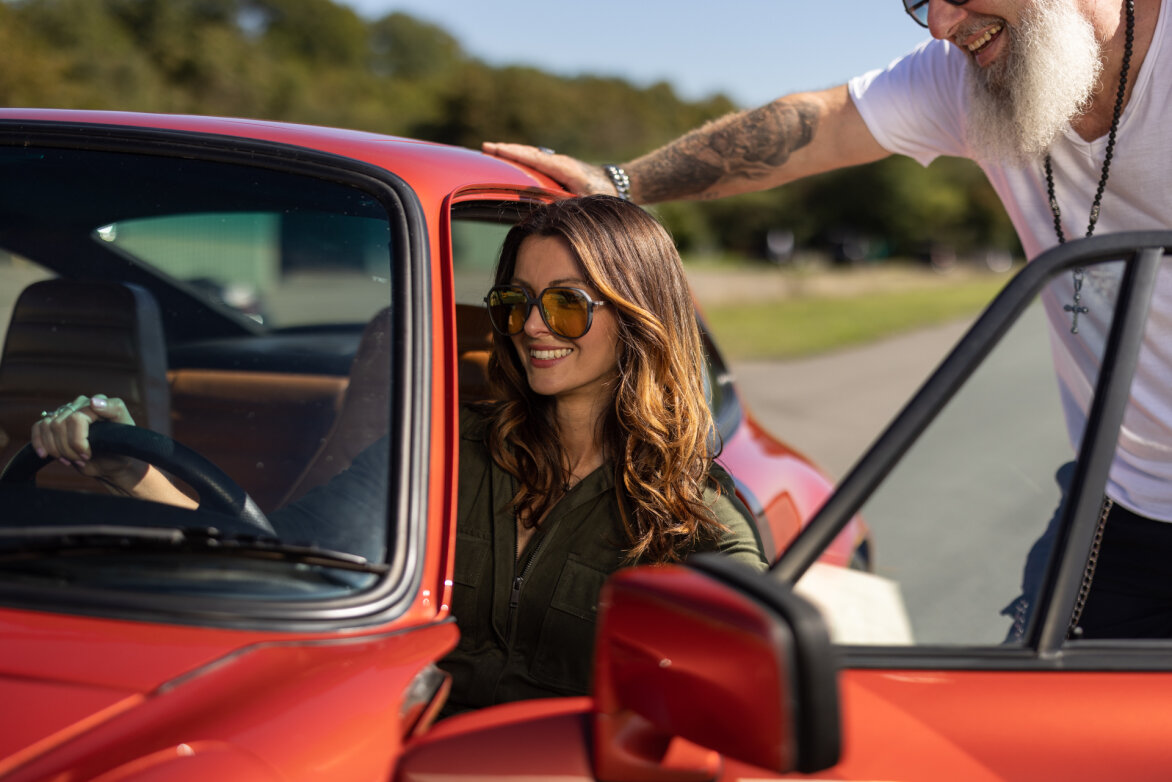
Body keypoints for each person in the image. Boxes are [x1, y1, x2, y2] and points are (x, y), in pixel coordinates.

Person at [484, 0, 1172, 639]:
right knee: (1039, 730)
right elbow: (818, 125)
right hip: (1118, 498)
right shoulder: (967, 80)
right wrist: (622, 186)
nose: (938, 24)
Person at [29, 195, 768, 711]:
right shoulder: (443, 453)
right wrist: (134, 471)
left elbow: (741, 701)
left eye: (568, 303)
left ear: (638, 318)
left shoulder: (694, 521)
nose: (534, 327)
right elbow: (272, 554)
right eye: (514, 303)